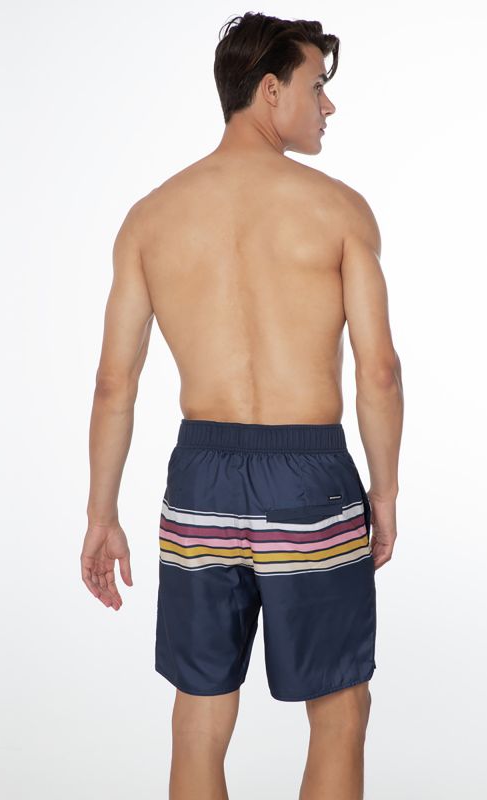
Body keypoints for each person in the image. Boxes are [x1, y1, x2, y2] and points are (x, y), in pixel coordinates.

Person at [80, 12, 402, 800]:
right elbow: (379, 371)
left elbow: (115, 383)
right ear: (270, 90)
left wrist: (101, 513)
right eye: (317, 86)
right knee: (339, 708)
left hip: (201, 482)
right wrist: (386, 492)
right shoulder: (338, 210)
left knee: (199, 716)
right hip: (311, 480)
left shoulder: (151, 218)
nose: (328, 105)